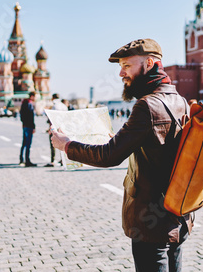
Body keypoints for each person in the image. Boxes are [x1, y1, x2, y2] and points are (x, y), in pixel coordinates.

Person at [52, 39, 191, 272]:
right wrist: (120, 140)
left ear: (149, 63)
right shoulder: (180, 101)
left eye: (127, 66)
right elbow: (160, 148)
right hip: (178, 215)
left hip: (151, 223)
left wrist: (67, 146)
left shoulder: (147, 105)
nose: (120, 73)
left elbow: (109, 157)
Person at [45, 93, 68, 167]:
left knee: (53, 144)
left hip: (55, 128)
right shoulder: (64, 106)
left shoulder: (55, 106)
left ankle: (52, 161)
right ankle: (63, 160)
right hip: (63, 128)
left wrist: (50, 128)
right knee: (63, 144)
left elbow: (52, 118)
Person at [19, 92, 37, 167]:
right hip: (29, 126)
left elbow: (22, 114)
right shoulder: (29, 104)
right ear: (32, 96)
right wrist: (33, 126)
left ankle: (21, 158)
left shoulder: (24, 103)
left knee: (24, 143)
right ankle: (27, 160)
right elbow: (31, 116)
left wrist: (23, 123)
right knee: (28, 144)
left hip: (25, 125)